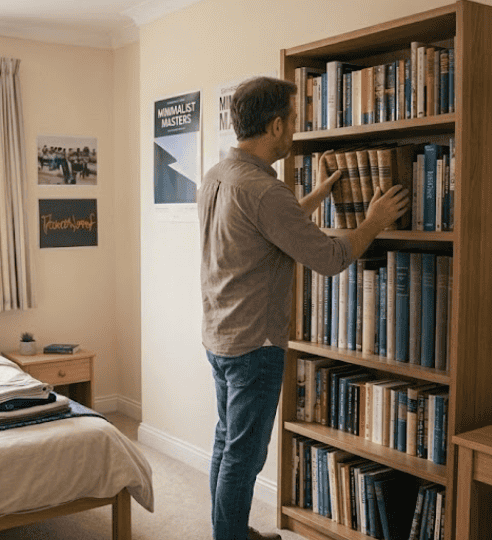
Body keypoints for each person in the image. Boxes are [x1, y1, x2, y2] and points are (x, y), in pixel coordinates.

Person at [198, 76, 408, 540]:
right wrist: (372, 222)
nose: (295, 128)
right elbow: (329, 259)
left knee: (225, 442)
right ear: (275, 126)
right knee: (245, 456)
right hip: (254, 345)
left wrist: (313, 198)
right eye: (293, 120)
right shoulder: (264, 191)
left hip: (220, 337)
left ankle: (227, 529)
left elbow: (271, 227)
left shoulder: (219, 175)